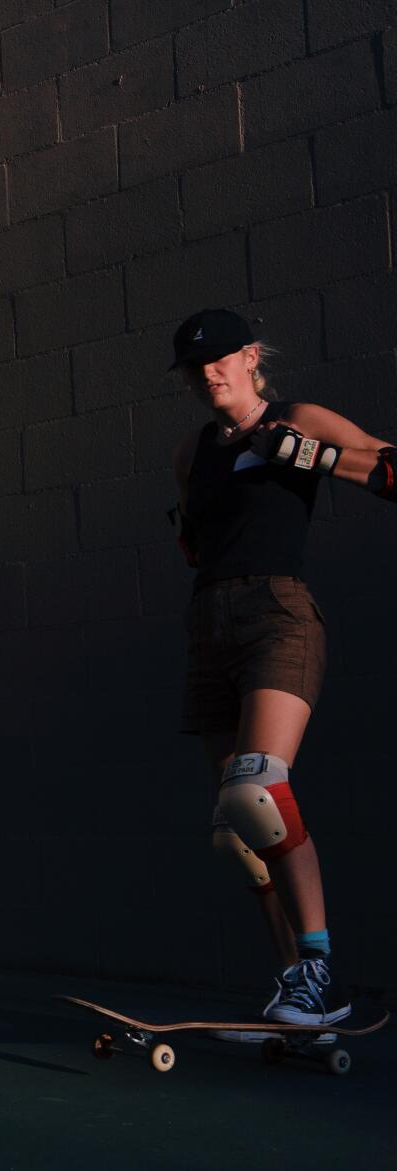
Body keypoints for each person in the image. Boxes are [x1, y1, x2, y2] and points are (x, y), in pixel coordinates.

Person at [167, 307, 395, 1026]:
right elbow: (196, 543)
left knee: (257, 788)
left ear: (251, 355)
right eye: (195, 367)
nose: (209, 373)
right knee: (234, 829)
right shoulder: (192, 451)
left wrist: (313, 457)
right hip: (210, 619)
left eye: (221, 358)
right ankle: (290, 977)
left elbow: (391, 470)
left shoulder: (297, 416)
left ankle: (320, 968)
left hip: (278, 614)